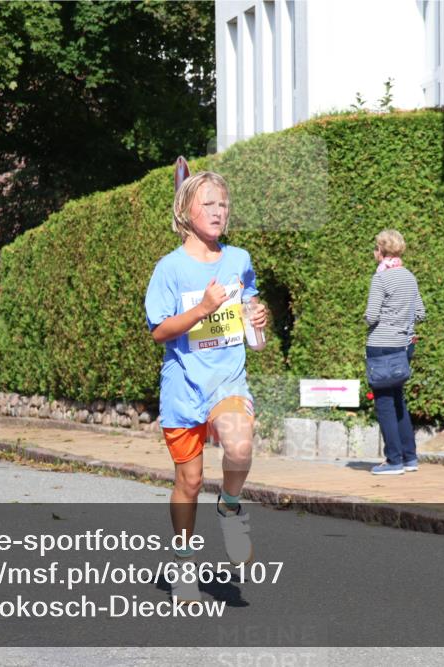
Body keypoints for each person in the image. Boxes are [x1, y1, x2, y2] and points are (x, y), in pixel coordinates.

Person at [144, 171, 268, 603]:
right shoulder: (170, 269)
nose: (219, 211)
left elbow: (249, 300)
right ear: (186, 211)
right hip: (182, 389)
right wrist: (202, 308)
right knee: (189, 482)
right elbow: (160, 331)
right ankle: (183, 565)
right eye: (209, 204)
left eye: (223, 204)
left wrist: (257, 316)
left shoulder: (239, 258)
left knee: (238, 447)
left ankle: (231, 507)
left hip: (227, 379)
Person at [364, 229, 425, 475]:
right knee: (398, 399)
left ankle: (393, 460)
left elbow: (371, 316)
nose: (374, 252)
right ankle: (410, 457)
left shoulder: (380, 279)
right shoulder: (409, 276)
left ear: (382, 251)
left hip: (381, 344)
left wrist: (378, 321)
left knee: (385, 403)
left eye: (376, 248)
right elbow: (421, 313)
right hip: (404, 345)